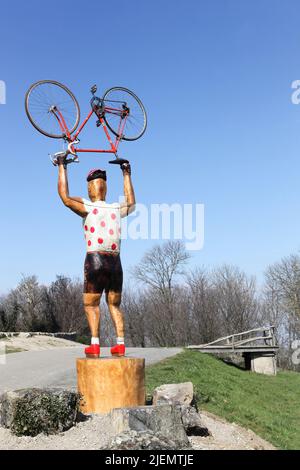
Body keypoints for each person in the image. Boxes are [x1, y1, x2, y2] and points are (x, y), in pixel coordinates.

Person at [56, 156, 135, 358]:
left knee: (91, 304)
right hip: (116, 261)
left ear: (91, 188)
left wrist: (62, 167)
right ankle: (120, 343)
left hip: (95, 259)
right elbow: (132, 202)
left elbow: (64, 198)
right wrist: (126, 173)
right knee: (114, 304)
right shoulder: (116, 208)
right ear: (105, 188)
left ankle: (95, 343)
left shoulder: (87, 206)